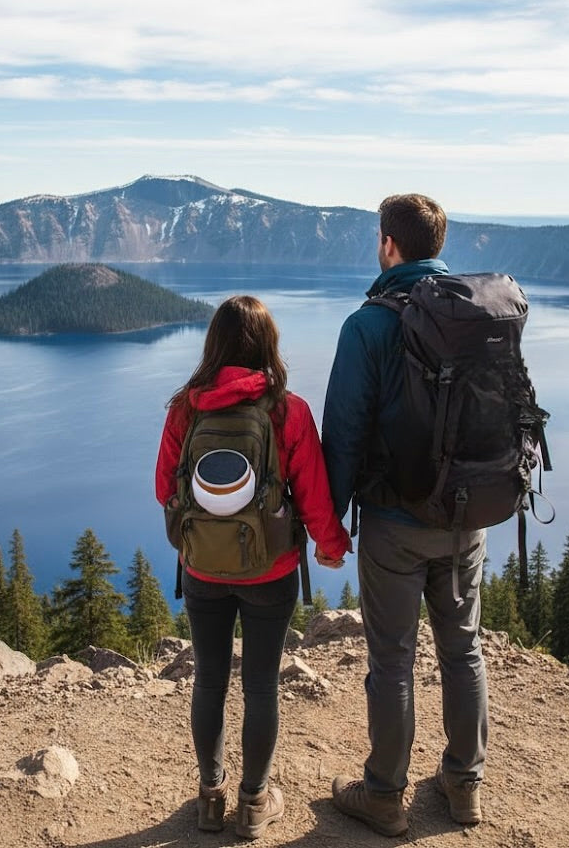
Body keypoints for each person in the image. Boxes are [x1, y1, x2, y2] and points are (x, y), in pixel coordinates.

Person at [318, 194, 488, 834]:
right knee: (463, 650)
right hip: (467, 514)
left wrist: (329, 528)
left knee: (392, 660)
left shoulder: (368, 326)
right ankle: (464, 784)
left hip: (395, 523)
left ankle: (384, 795)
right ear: (438, 246)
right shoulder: (477, 313)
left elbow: (344, 432)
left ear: (389, 244)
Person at [156, 295, 351, 840]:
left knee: (210, 680)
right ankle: (255, 801)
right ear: (269, 345)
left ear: (213, 346)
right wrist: (330, 545)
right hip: (270, 571)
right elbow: (312, 493)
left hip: (202, 571)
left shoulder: (185, 408)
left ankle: (210, 798)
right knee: (262, 685)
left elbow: (162, 488)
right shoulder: (287, 410)